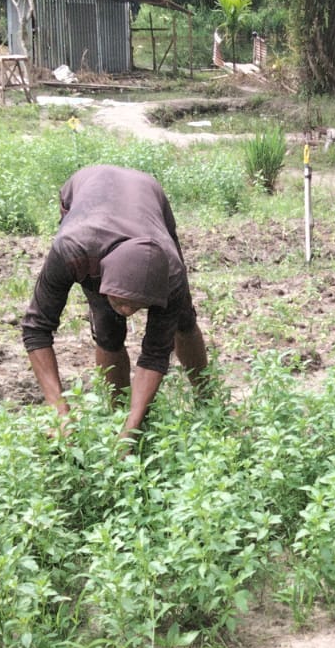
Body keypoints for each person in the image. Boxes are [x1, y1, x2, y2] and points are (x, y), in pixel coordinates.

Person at [21, 164, 209, 444]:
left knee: (182, 319)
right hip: (88, 190)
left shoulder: (171, 272)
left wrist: (131, 432)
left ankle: (207, 400)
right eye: (122, 302)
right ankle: (117, 414)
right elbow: (36, 329)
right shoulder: (72, 252)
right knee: (109, 327)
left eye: (138, 305)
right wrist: (60, 412)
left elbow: (155, 354)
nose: (129, 312)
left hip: (147, 195)